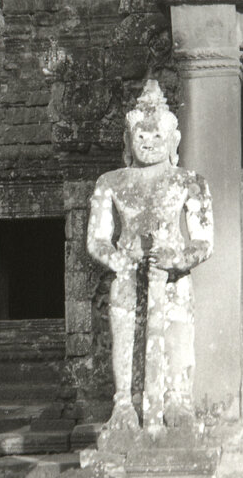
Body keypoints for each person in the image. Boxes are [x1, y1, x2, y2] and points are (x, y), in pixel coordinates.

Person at [87, 80, 213, 432]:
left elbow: (204, 241)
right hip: (127, 274)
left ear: (174, 140)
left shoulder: (189, 181)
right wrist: (119, 260)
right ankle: (123, 403)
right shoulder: (110, 182)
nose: (149, 142)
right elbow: (97, 239)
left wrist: (177, 258)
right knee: (125, 337)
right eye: (141, 136)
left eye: (158, 136)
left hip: (172, 277)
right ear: (127, 140)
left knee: (178, 334)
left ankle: (176, 400)